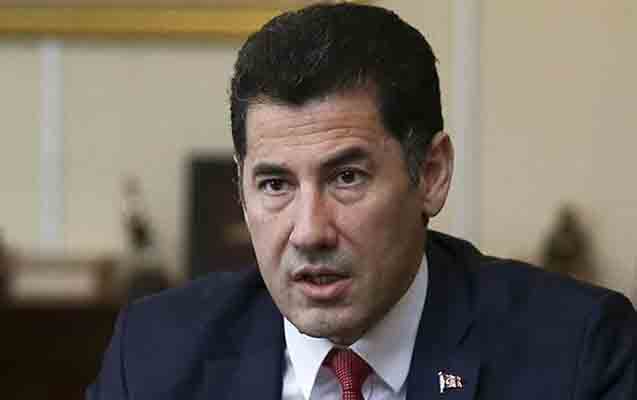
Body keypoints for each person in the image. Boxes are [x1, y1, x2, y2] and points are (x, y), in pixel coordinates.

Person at [87, 3, 636, 399]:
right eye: (275, 184)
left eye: (347, 177)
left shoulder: (576, 355)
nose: (309, 232)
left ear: (431, 175)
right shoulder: (153, 357)